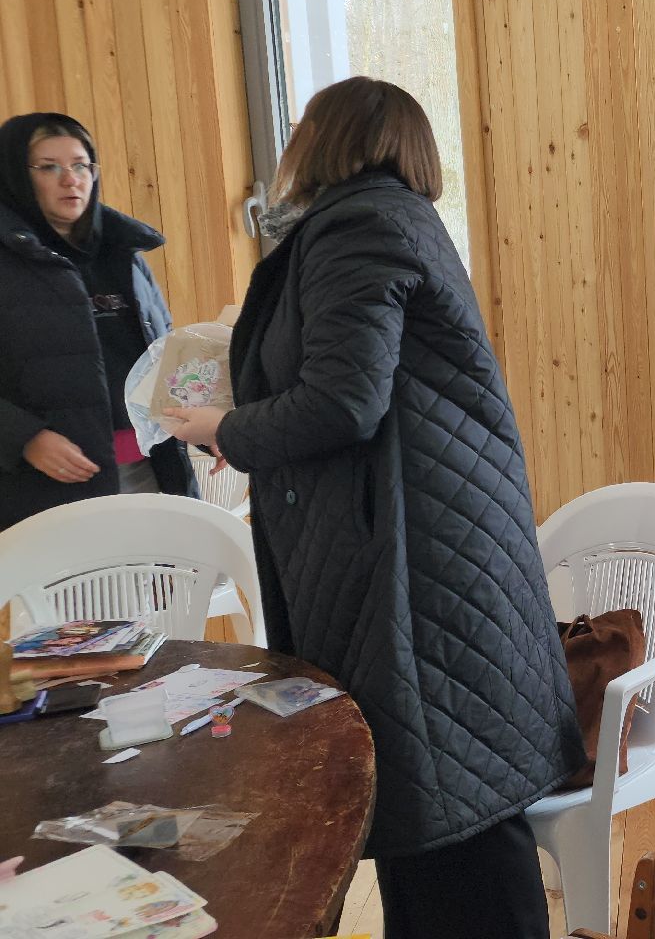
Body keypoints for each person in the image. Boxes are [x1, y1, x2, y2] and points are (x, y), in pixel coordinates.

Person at [166, 77, 583, 939]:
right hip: (424, 547)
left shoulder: (356, 228)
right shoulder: (393, 219)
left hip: (409, 561)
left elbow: (343, 401)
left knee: (449, 814)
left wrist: (227, 428)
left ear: (325, 139)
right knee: (445, 807)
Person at [0, 112, 197, 529]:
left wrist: (204, 420)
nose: (70, 179)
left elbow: (164, 353)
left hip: (150, 465)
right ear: (15, 176)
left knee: (166, 570)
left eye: (80, 165)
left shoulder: (123, 252)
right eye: (49, 167)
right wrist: (24, 438)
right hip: (45, 485)